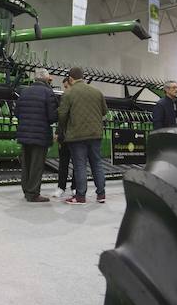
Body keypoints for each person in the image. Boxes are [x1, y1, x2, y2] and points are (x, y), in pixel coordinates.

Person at [58, 67, 108, 205]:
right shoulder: (97, 92)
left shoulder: (68, 93)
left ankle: (80, 196)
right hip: (95, 134)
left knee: (80, 165)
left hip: (76, 135)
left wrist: (63, 128)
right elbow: (104, 111)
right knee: (97, 163)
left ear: (70, 78)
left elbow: (62, 115)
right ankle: (101, 194)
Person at [14, 68, 58, 202]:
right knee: (36, 164)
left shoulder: (24, 91)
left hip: (24, 133)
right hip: (40, 134)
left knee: (26, 163)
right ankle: (33, 193)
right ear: (46, 79)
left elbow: (17, 112)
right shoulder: (48, 93)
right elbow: (52, 117)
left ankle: (26, 190)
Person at [52, 76, 77, 198]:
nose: (65, 89)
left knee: (77, 164)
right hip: (64, 136)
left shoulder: (78, 99)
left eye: (66, 87)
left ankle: (75, 187)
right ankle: (61, 187)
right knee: (63, 164)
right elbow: (61, 118)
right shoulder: (63, 99)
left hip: (76, 136)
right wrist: (57, 132)